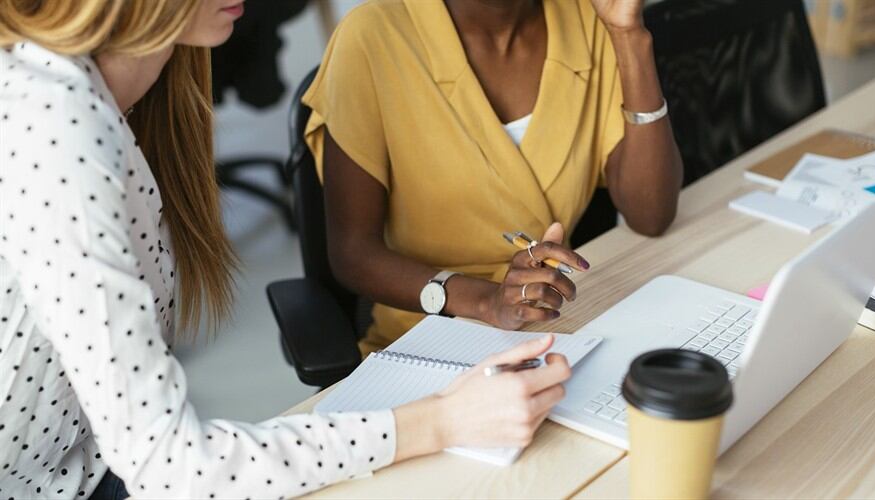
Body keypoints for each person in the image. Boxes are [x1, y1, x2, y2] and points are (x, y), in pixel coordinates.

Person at [0, 1, 571, 498]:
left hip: (83, 468)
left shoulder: (125, 96)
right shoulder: (55, 126)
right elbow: (173, 468)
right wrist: (442, 420)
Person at [305, 0, 684, 356]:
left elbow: (651, 214)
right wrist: (487, 301)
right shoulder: (372, 35)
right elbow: (353, 253)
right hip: (428, 342)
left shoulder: (588, 18)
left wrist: (628, 35)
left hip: (559, 326)